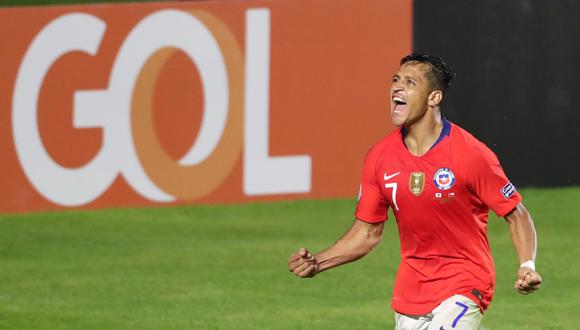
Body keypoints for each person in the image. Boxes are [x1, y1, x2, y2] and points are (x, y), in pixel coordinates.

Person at [287, 53, 542, 329]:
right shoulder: (380, 157)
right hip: (412, 292)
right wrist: (318, 263)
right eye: (396, 80)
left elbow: (516, 213)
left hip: (465, 284)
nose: (397, 87)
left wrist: (527, 264)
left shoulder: (470, 155)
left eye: (410, 83)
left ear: (434, 98)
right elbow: (367, 233)